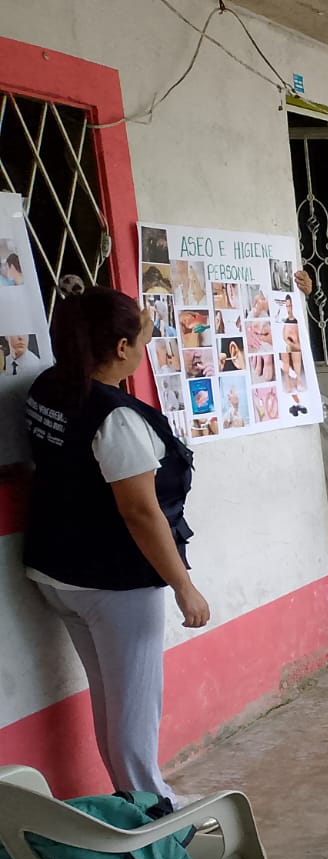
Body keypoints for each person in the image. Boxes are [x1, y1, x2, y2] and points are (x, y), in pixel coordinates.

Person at [22, 280, 208, 808]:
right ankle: (153, 810)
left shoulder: (49, 387)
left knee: (111, 697)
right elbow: (140, 511)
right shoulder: (117, 418)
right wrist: (184, 587)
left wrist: (126, 316)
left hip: (57, 568)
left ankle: (132, 798)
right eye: (141, 339)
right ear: (121, 348)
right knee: (133, 707)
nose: (146, 345)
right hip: (114, 580)